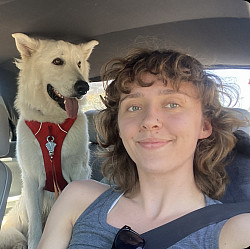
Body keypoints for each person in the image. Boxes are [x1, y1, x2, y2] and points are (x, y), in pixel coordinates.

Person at [38, 48, 250, 249]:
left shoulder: (236, 231)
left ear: (204, 125)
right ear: (119, 127)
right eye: (134, 107)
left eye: (172, 104)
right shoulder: (78, 198)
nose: (149, 121)